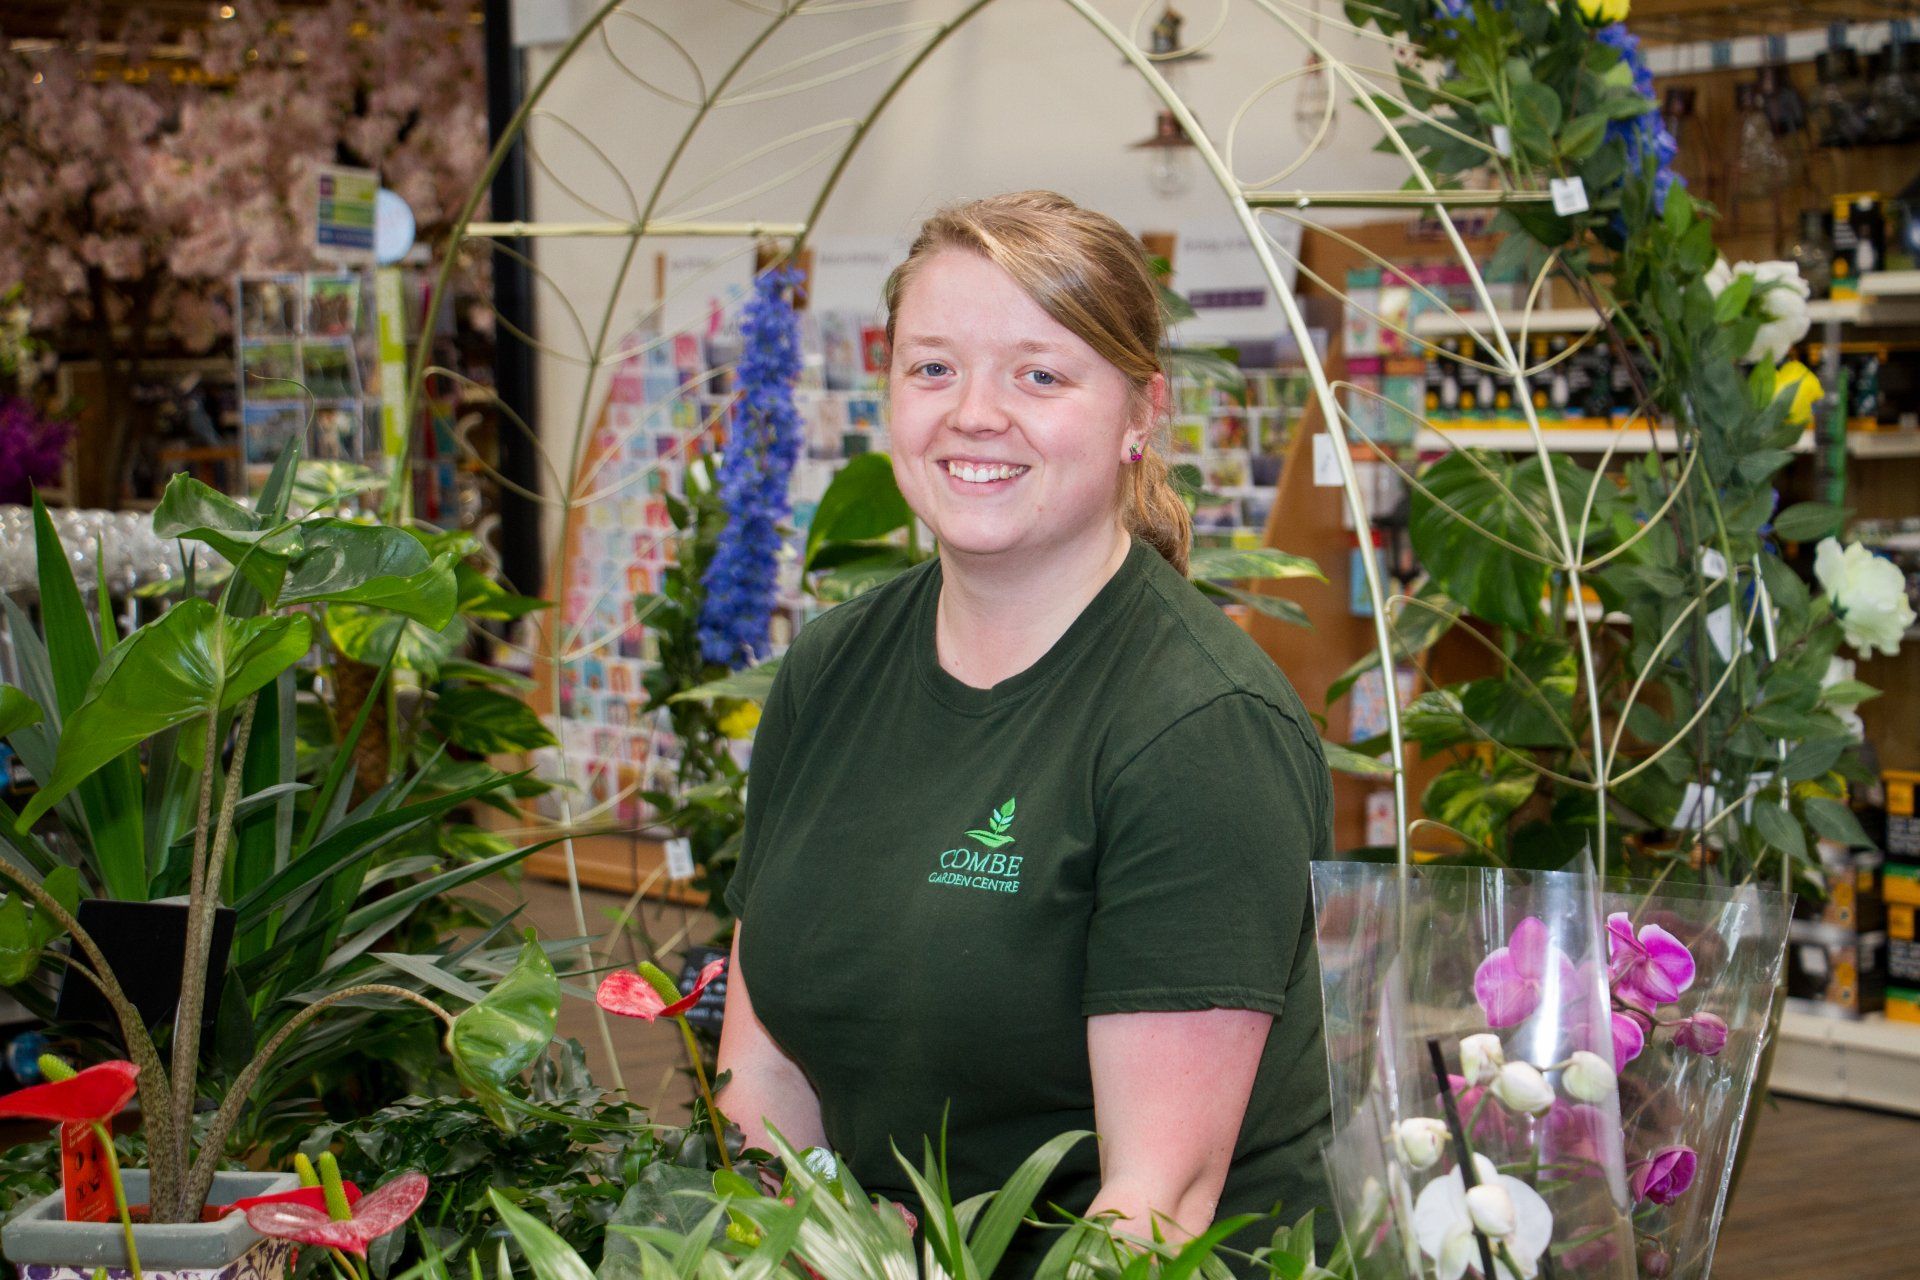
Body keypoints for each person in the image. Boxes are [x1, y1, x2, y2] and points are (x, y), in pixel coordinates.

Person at [717, 190, 1335, 1274]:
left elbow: (1160, 1203)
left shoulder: (1197, 728)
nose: (974, 413)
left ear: (1141, 411)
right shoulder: (830, 670)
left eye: (1039, 374)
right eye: (934, 367)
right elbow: (765, 1081)